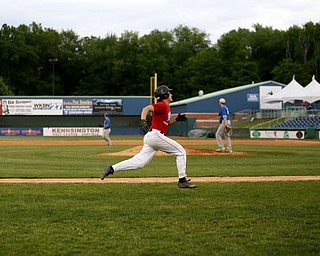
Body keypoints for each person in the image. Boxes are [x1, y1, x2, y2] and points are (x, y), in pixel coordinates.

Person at [101, 85, 197, 189]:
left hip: (152, 137)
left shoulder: (166, 107)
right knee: (181, 152)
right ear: (164, 95)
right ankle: (182, 180)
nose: (171, 94)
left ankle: (111, 168)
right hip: (156, 135)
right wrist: (143, 120)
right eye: (169, 92)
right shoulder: (162, 105)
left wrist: (177, 119)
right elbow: (146, 108)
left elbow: (166, 123)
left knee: (139, 162)